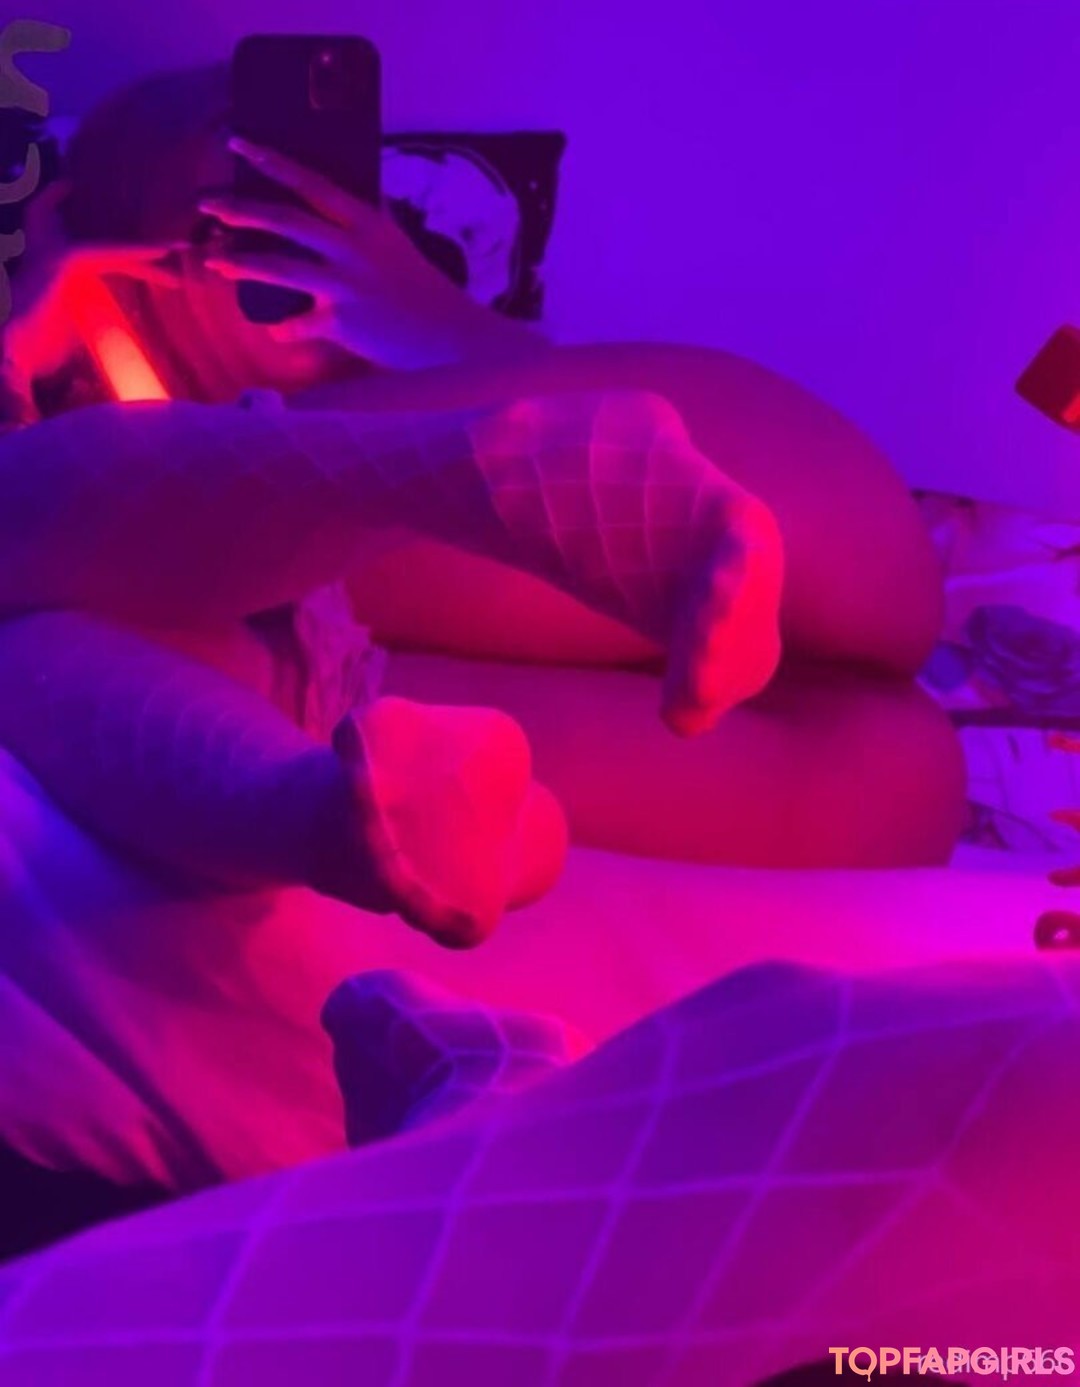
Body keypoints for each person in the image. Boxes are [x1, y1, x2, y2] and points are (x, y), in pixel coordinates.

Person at [2, 60, 964, 883]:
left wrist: (450, 334)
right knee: (900, 771)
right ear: (128, 279)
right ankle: (284, 663)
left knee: (913, 748)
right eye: (239, 222)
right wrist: (33, 335)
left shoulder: (460, 359)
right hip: (200, 534)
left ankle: (322, 614)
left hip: (371, 489)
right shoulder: (97, 395)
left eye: (325, 198)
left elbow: (878, 585)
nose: (301, 240)